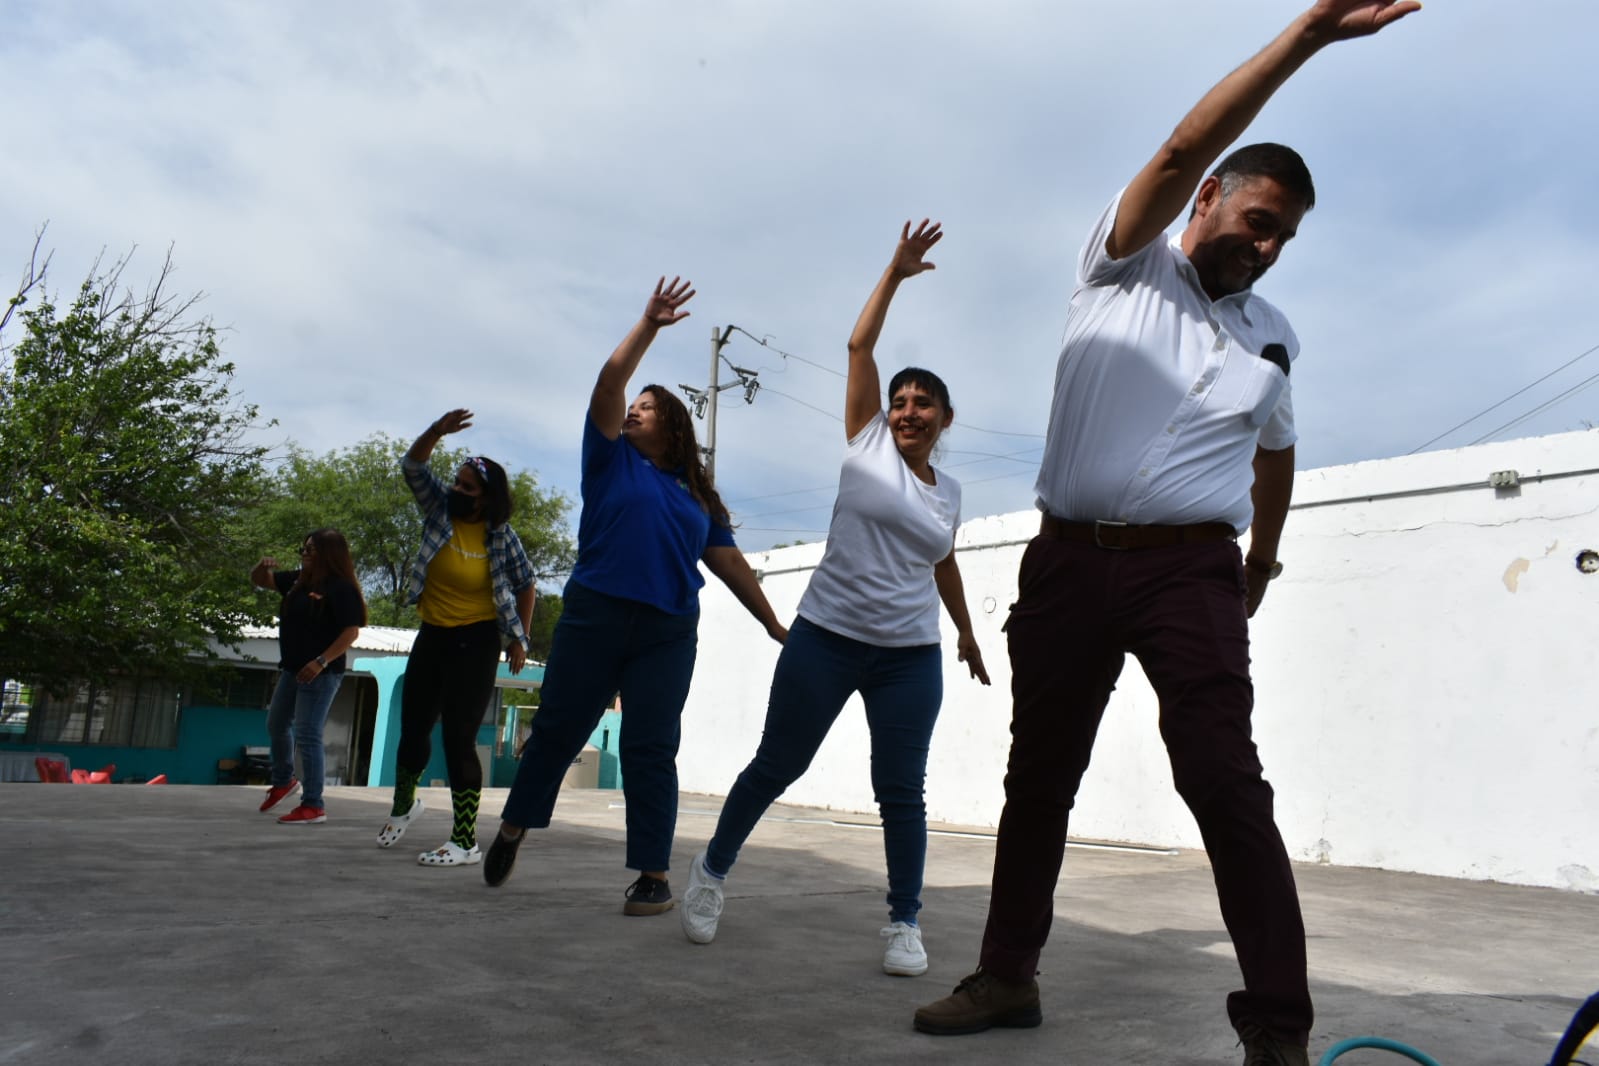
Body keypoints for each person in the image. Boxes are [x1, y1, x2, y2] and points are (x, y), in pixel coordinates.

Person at [911, 3, 1419, 1063]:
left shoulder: (1272, 335)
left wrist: (1262, 560)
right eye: (1258, 220)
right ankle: (1008, 976)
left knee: (1223, 776)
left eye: (1285, 236)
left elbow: (1276, 446)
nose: (1269, 247)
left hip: (1189, 570)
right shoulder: (1121, 264)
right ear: (1209, 202)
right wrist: (1309, 38)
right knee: (1039, 776)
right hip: (1065, 560)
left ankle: (1277, 1024)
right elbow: (1182, 142)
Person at [678, 221, 990, 976]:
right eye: (901, 400)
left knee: (900, 790)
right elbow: (860, 350)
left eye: (924, 403)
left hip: (908, 656)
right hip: (826, 636)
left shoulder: (949, 492)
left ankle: (903, 923)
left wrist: (967, 635)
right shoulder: (866, 442)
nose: (908, 410)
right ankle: (710, 874)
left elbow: (942, 564)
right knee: (777, 763)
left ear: (945, 419)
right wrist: (894, 271)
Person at [482, 276, 787, 915]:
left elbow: (729, 562)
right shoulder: (610, 458)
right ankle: (514, 827)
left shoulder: (697, 498)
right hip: (594, 615)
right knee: (559, 731)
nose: (632, 411)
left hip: (667, 632)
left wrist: (772, 624)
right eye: (634, 405)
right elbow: (606, 384)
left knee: (652, 746)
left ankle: (653, 876)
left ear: (672, 426)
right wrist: (647, 325)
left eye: (646, 407)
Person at [376, 413, 536, 867]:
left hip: (478, 640)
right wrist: (435, 432)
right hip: (433, 635)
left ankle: (464, 840)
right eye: (458, 483)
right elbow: (412, 468)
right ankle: (404, 806)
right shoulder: (438, 511)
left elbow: (527, 584)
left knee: (459, 738)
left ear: (486, 499)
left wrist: (519, 639)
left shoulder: (502, 537)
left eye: (468, 488)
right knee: (413, 730)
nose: (458, 491)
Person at [250, 529, 367, 824]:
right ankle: (283, 781)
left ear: (329, 554)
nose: (304, 553)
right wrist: (261, 567)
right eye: (303, 548)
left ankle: (313, 804)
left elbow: (351, 632)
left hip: (321, 673)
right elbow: (261, 581)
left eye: (311, 550)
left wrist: (321, 661)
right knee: (276, 723)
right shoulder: (298, 582)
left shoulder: (341, 589)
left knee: (307, 733)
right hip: (292, 669)